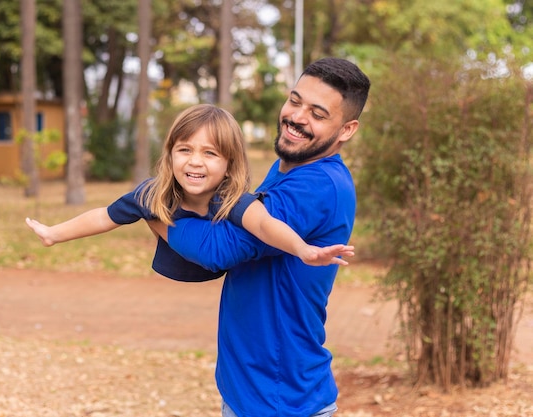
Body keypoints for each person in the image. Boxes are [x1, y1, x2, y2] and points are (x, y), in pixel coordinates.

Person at [147, 58, 371, 417]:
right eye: (295, 101)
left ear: (346, 130)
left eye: (317, 113)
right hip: (255, 391)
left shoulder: (315, 187)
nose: (297, 117)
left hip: (280, 400)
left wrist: (150, 206)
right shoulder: (287, 167)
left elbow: (217, 249)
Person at [25, 104, 354, 283]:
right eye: (185, 150)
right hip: (182, 266)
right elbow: (103, 216)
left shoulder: (230, 197)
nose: (195, 162)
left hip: (215, 262)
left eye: (210, 153)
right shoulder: (152, 194)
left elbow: (265, 225)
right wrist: (54, 233)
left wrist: (303, 249)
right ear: (169, 155)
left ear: (228, 164)